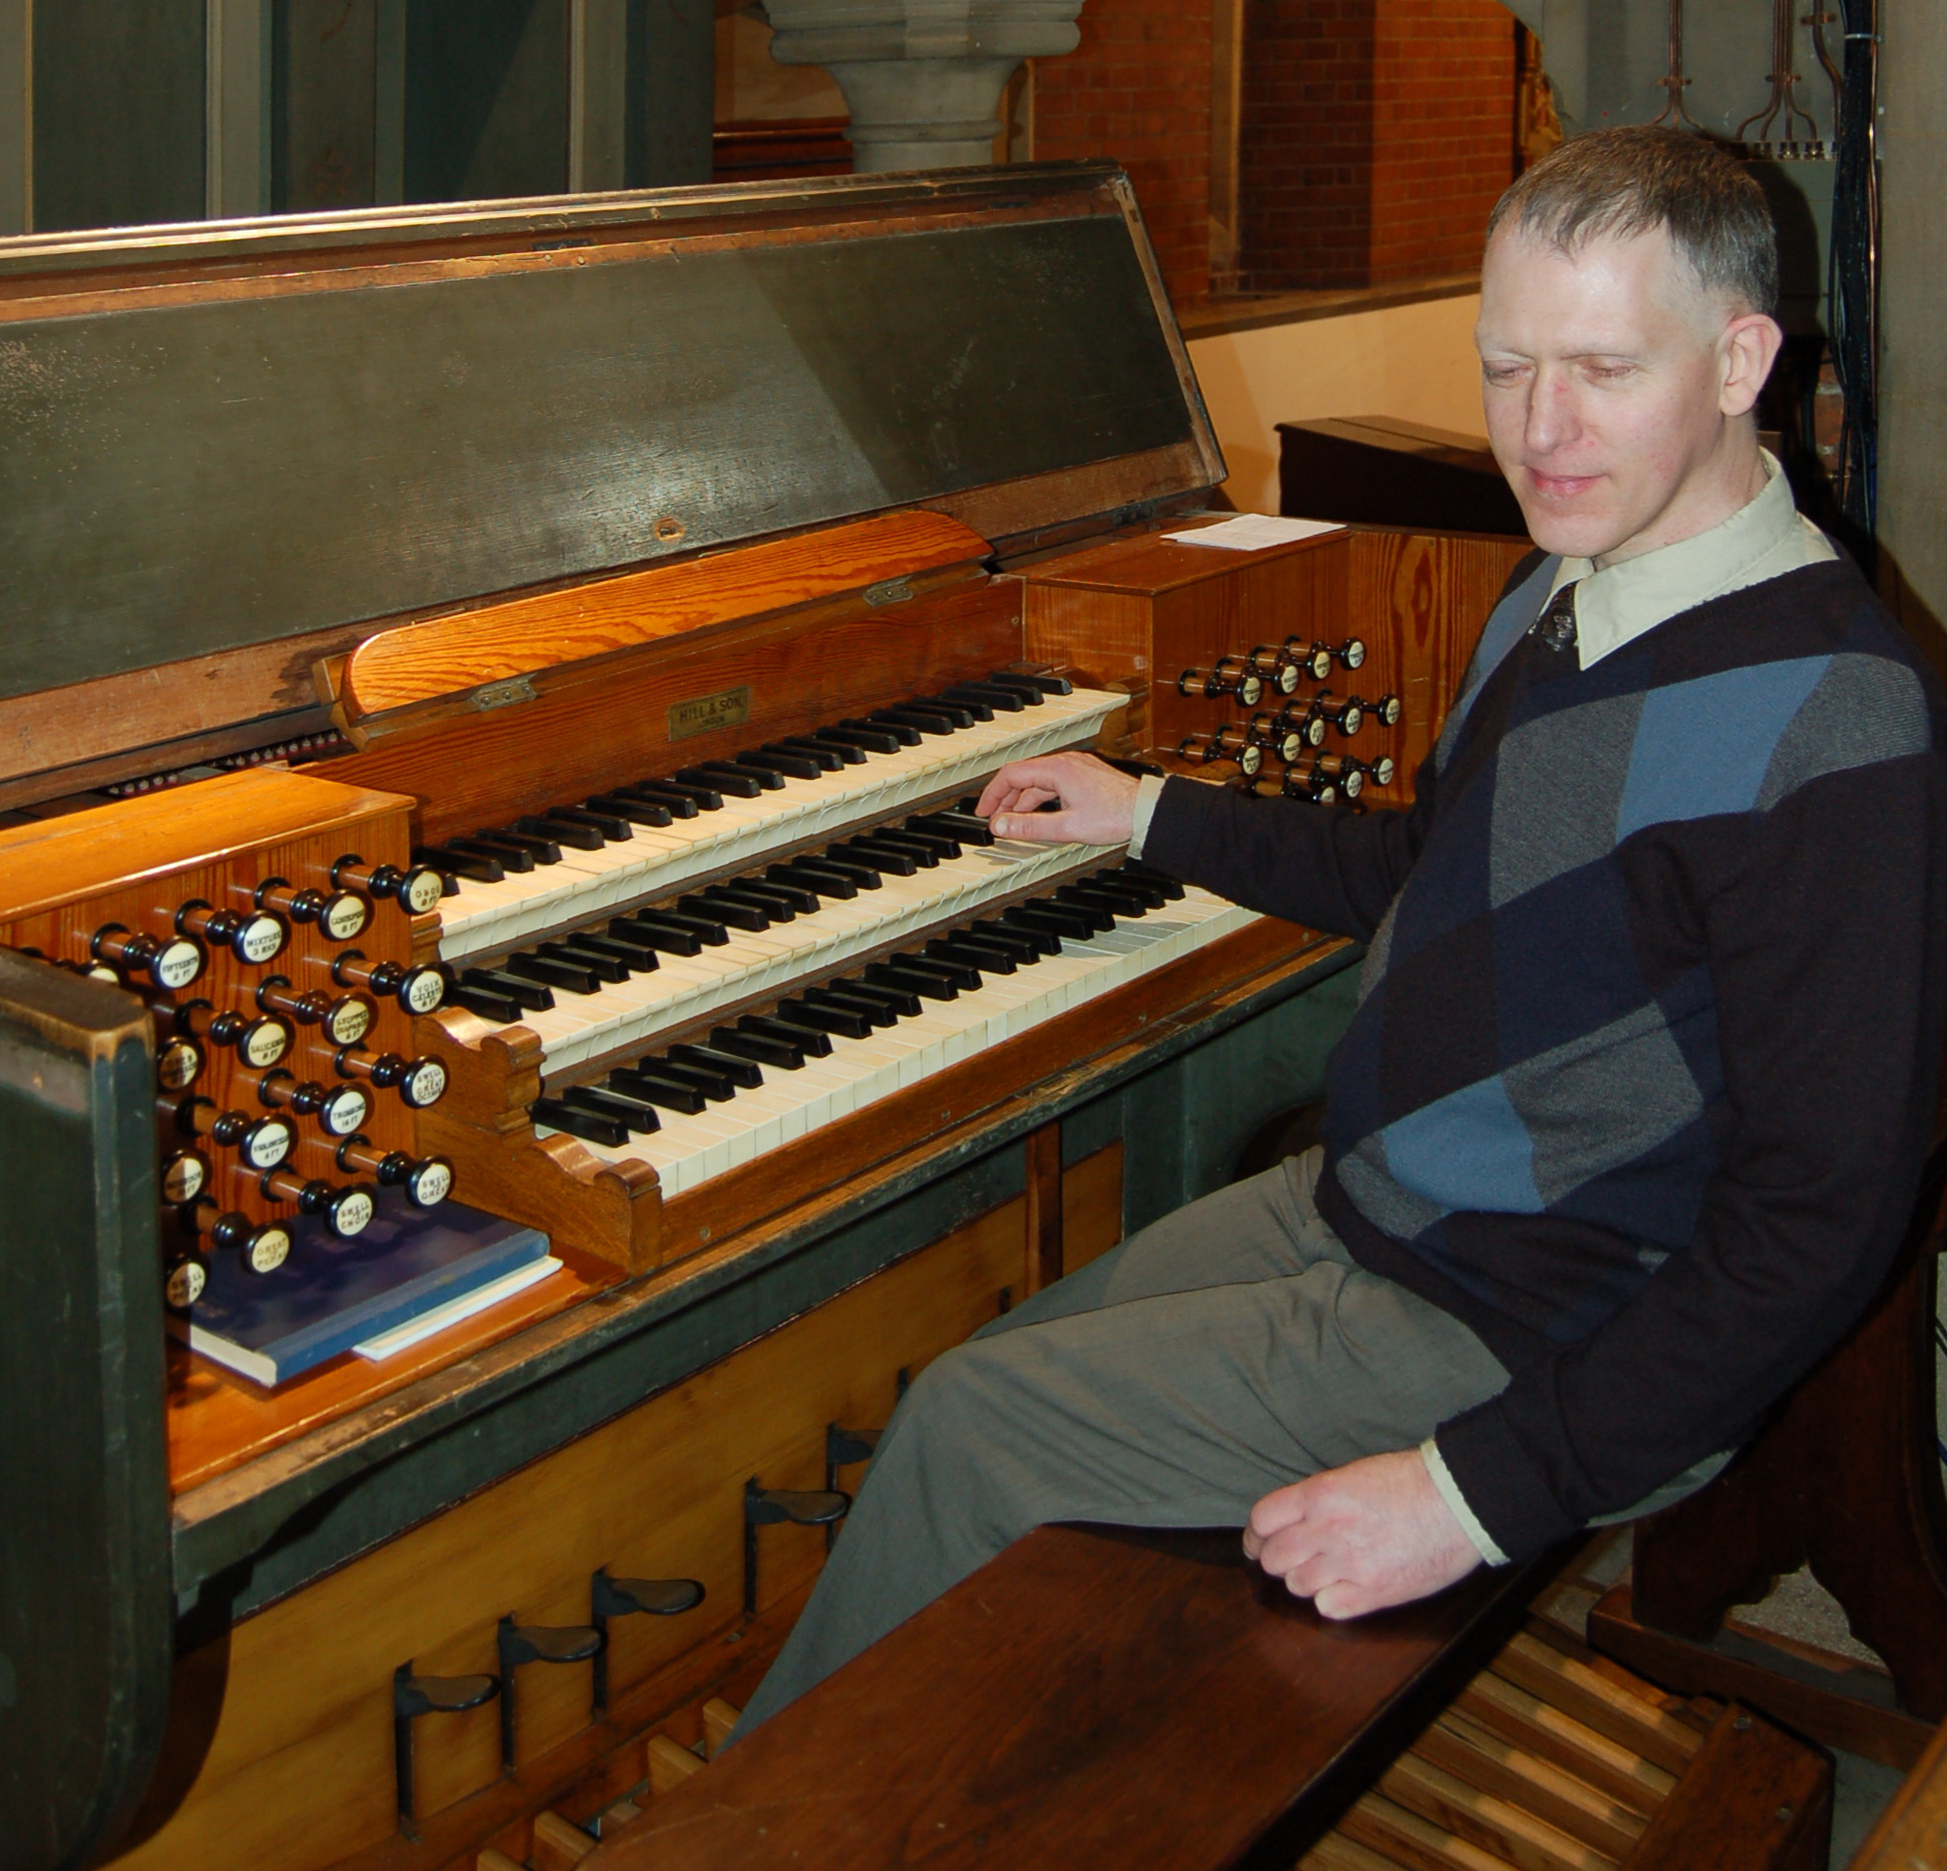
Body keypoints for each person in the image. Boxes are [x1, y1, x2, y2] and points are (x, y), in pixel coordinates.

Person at [730, 128, 1946, 1741]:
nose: (1541, 430)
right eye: (1507, 367)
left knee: (977, 1429)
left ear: (1741, 361)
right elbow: (1434, 872)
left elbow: (1816, 1224)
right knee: (1002, 1364)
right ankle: (998, 1785)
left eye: (1601, 369)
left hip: (1548, 1319)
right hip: (1380, 1207)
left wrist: (1481, 1490)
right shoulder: (1564, 591)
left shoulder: (1839, 726)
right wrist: (1151, 816)